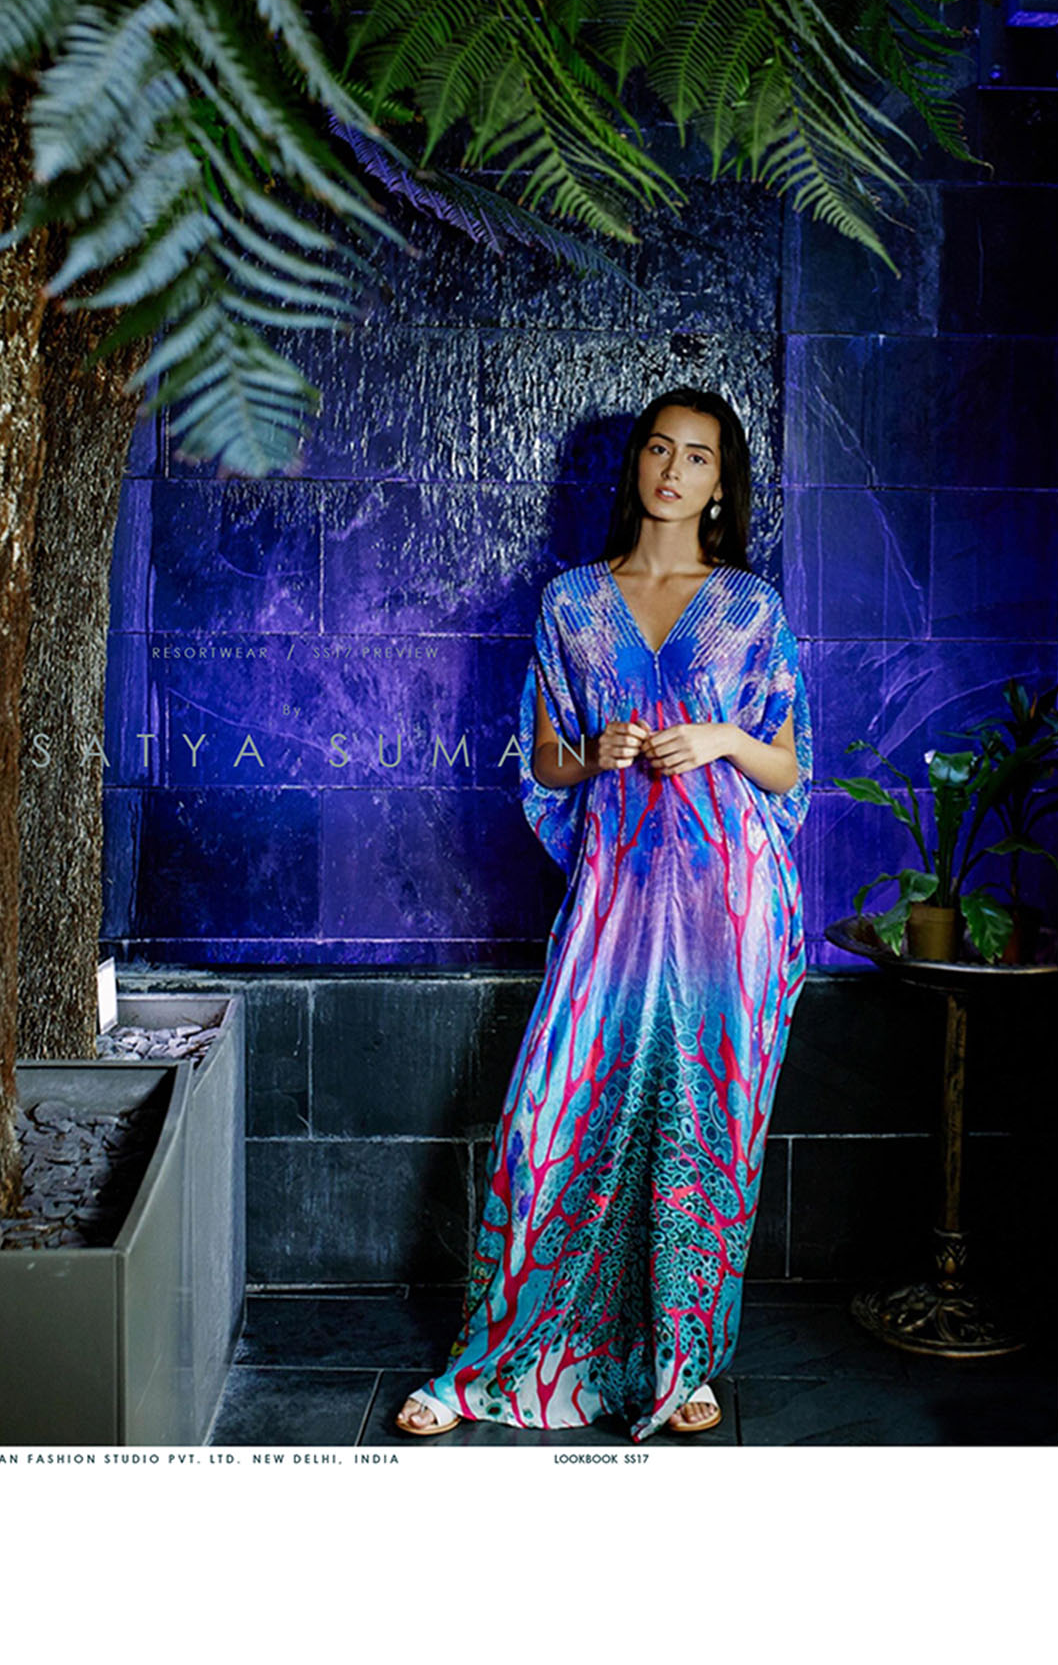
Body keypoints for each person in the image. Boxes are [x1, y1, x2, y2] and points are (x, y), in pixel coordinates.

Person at [396, 386, 812, 1443]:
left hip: (726, 905)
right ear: (637, 465)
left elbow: (788, 767)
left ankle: (684, 1358)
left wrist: (721, 738)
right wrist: (595, 754)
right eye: (660, 450)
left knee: (701, 1122)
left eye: (699, 458)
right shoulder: (574, 603)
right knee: (559, 1107)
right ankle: (504, 1355)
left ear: (722, 485)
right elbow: (545, 761)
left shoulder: (750, 607)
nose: (674, 470)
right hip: (618, 894)